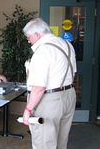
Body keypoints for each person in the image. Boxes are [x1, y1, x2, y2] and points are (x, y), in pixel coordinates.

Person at [22, 18, 77, 149]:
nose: (28, 40)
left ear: (37, 34)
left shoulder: (43, 51)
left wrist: (27, 110)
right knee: (61, 140)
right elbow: (73, 72)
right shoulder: (67, 45)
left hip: (49, 101)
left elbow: (39, 88)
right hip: (69, 95)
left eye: (28, 37)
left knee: (44, 143)